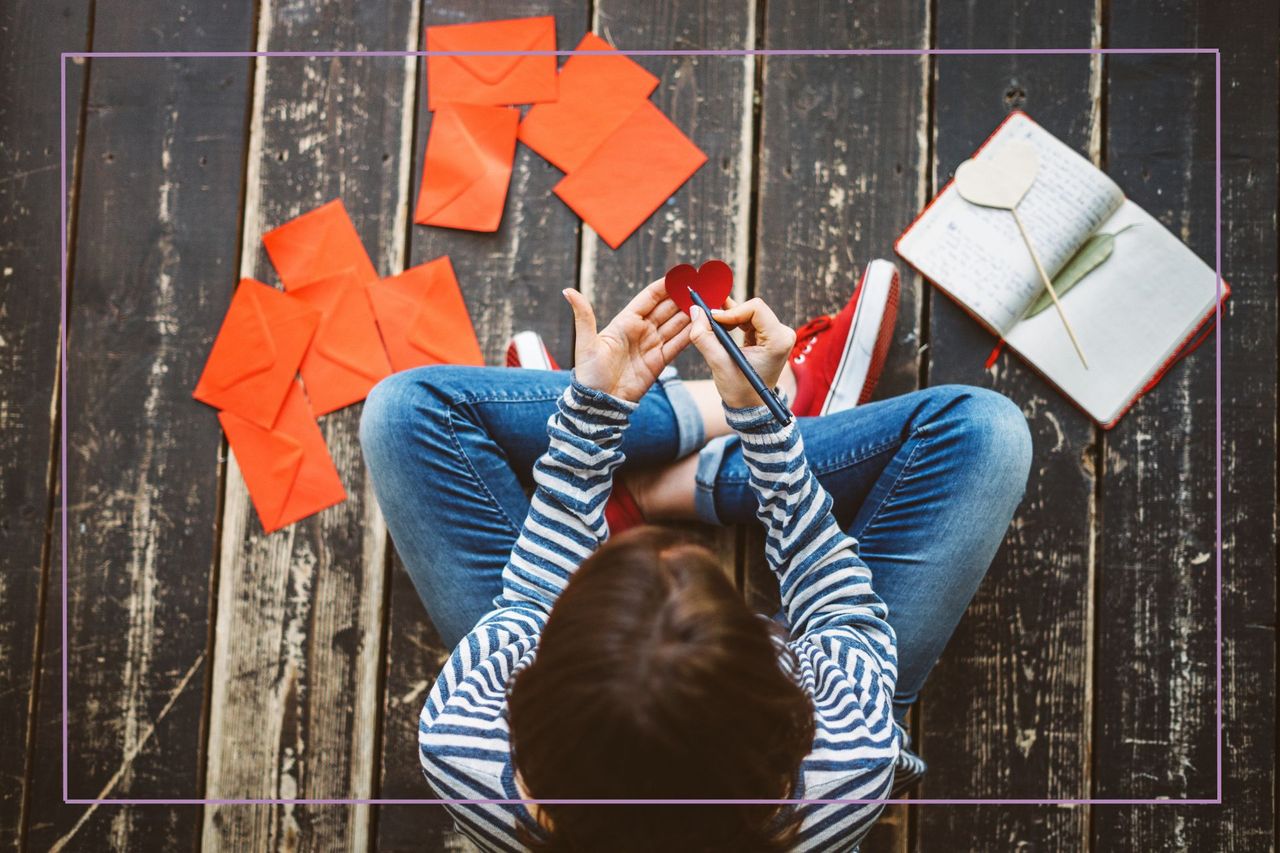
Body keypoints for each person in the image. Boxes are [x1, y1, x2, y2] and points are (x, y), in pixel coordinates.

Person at [359, 270, 1033, 852]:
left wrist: (594, 417)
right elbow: (838, 613)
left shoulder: (462, 745)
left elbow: (530, 603)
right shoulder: (852, 756)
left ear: (530, 702)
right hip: (817, 671)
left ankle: (668, 447)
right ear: (782, 692)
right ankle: (720, 441)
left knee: (400, 412)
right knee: (988, 430)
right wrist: (764, 418)